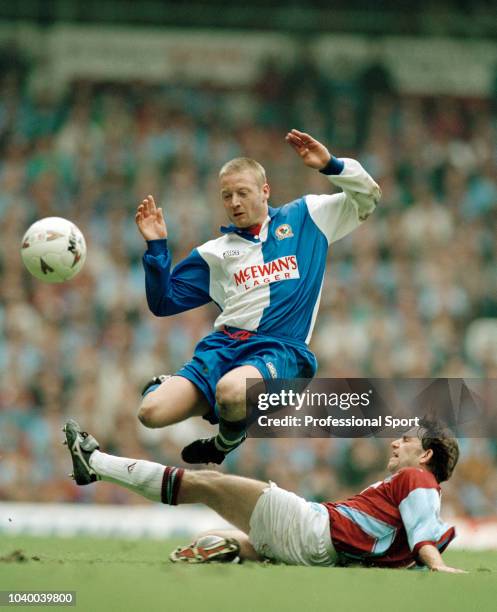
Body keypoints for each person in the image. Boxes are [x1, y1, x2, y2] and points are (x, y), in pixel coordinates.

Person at [135, 129, 381, 464]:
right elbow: (163, 302)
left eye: (242, 192)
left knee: (232, 391)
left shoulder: (308, 216)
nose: (234, 202)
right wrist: (157, 246)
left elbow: (369, 197)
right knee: (149, 412)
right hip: (222, 348)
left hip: (280, 351)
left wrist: (331, 165)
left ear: (265, 191)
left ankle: (223, 443)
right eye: (226, 196)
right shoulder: (215, 252)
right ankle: (195, 394)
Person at [63, 418, 465, 572]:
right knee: (248, 533)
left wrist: (436, 565)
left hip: (314, 526)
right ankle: (235, 548)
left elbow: (421, 537)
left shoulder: (417, 480)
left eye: (407, 439)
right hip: (329, 553)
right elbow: (409, 544)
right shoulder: (421, 492)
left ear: (425, 454)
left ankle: (95, 463)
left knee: (207, 483)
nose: (395, 443)